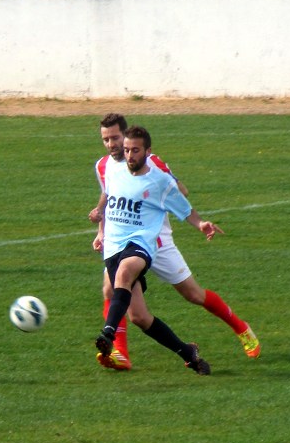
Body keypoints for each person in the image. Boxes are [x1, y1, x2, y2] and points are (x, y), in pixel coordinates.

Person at [90, 114, 260, 363]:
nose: (111, 144)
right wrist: (101, 231)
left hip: (156, 241)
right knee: (111, 288)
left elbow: (179, 191)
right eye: (106, 139)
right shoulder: (103, 166)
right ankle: (119, 353)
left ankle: (241, 327)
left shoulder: (152, 164)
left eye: (115, 138)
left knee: (193, 294)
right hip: (122, 242)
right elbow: (110, 197)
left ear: (126, 136)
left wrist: (158, 193)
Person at [94, 123, 223, 375]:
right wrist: (99, 216)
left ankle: (108, 334)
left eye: (136, 151)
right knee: (139, 317)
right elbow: (107, 196)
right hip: (114, 246)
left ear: (147, 151)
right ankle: (188, 353)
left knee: (124, 273)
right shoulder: (112, 171)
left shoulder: (159, 181)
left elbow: (184, 208)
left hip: (141, 244)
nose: (130, 155)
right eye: (127, 150)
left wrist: (200, 223)